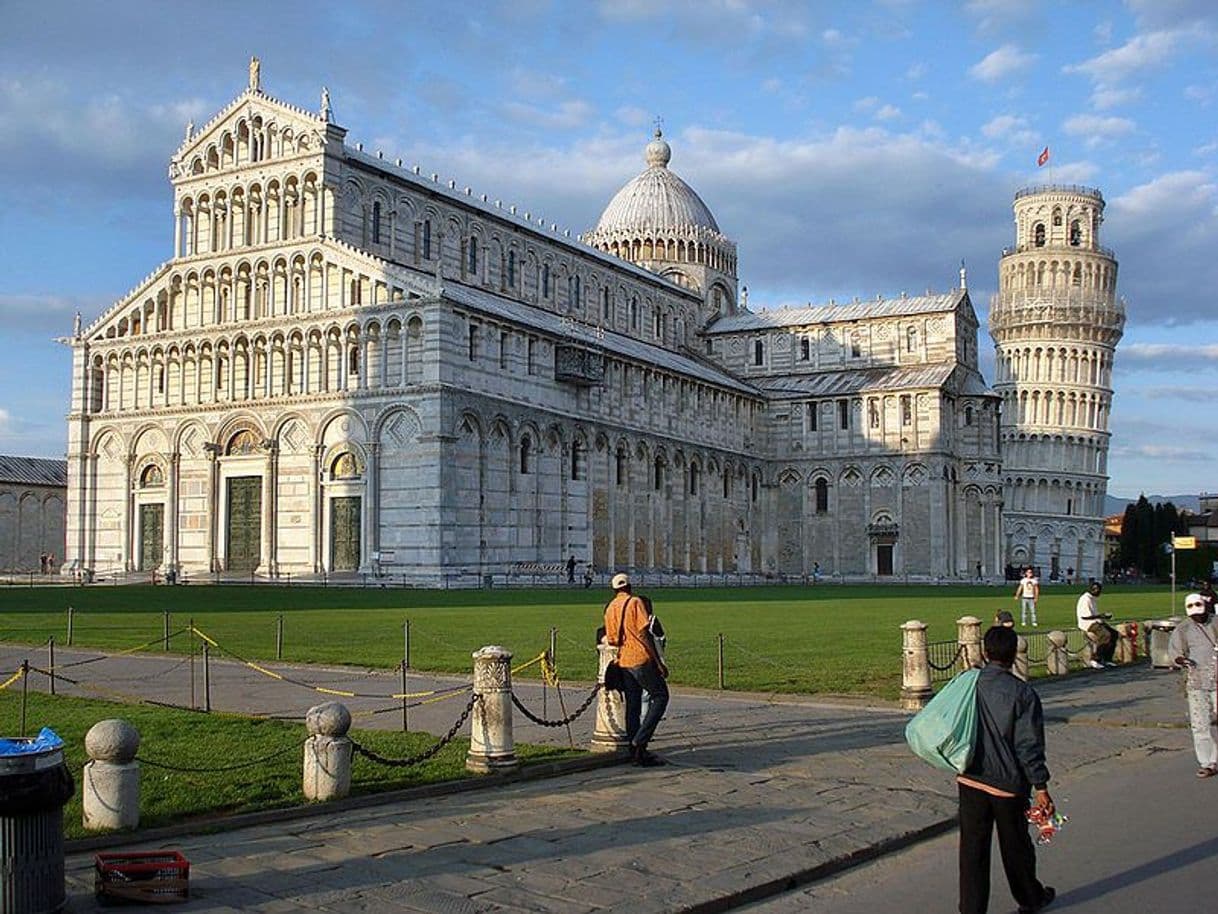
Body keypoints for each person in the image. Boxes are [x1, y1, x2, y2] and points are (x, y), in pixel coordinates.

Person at [957, 626, 1056, 914]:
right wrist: (1042, 787)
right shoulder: (1023, 693)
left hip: (971, 777)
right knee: (1016, 847)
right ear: (1014, 654)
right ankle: (1029, 897)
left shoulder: (968, 683)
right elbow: (1029, 746)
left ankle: (971, 909)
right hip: (1008, 784)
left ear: (985, 652)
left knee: (972, 850)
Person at [603, 572, 669, 766]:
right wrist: (658, 662)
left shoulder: (610, 608)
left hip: (623, 661)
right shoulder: (635, 603)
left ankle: (636, 752)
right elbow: (643, 632)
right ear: (629, 587)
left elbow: (612, 639)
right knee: (661, 696)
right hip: (640, 659)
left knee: (632, 705)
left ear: (615, 590)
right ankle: (640, 740)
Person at [1168, 592, 1218, 778]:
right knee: (1199, 724)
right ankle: (1208, 762)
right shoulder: (1183, 629)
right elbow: (1175, 652)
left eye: (1199, 609)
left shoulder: (1216, 622)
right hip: (1197, 681)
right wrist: (1182, 660)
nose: (1197, 615)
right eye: (1193, 611)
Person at [1075, 580, 1117, 668]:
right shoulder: (1085, 599)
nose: (1100, 593)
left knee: (1114, 634)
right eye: (1099, 591)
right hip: (1087, 623)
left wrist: (1103, 617)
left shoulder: (1092, 598)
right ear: (1095, 590)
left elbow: (1094, 614)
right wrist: (1101, 616)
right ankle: (1095, 659)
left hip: (1095, 621)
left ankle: (1107, 659)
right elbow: (1085, 616)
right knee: (1105, 635)